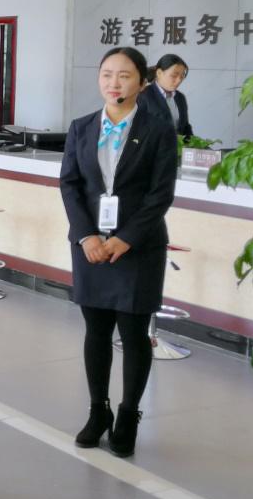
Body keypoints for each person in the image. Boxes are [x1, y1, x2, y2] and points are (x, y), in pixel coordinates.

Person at [59, 46, 178, 458]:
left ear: (142, 83)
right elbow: (70, 185)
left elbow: (161, 194)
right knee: (95, 331)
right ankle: (99, 411)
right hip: (91, 246)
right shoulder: (81, 127)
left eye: (124, 76)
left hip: (138, 247)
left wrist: (126, 238)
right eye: (107, 74)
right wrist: (86, 236)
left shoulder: (158, 129)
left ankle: (128, 414)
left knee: (133, 333)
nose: (114, 83)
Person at [140, 53, 193, 138]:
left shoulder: (180, 97)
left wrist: (192, 144)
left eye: (182, 76)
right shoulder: (143, 96)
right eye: (174, 76)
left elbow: (185, 126)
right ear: (159, 73)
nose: (179, 80)